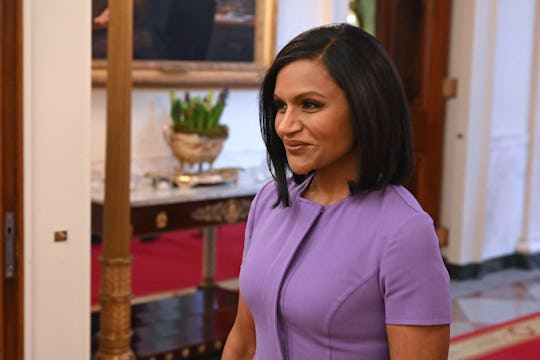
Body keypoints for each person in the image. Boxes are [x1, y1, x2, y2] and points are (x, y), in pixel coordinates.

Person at [222, 23, 452, 359]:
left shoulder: (404, 232)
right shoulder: (269, 201)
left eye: (310, 105)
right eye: (281, 106)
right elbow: (245, 341)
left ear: (365, 108)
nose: (285, 125)